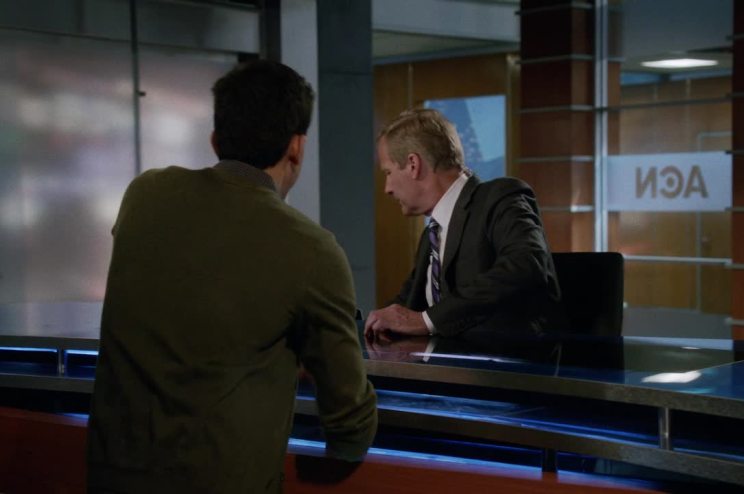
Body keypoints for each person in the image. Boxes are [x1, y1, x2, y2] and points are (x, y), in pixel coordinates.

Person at [87, 60, 377, 493]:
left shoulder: (145, 194)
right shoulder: (312, 250)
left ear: (215, 140)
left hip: (113, 479)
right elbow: (350, 429)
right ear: (297, 147)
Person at [365, 108, 561, 338]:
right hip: (446, 360)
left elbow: (525, 266)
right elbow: (404, 309)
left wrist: (427, 320)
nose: (387, 189)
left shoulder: (500, 197)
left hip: (509, 358)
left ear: (413, 164)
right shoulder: (432, 235)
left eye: (388, 172)